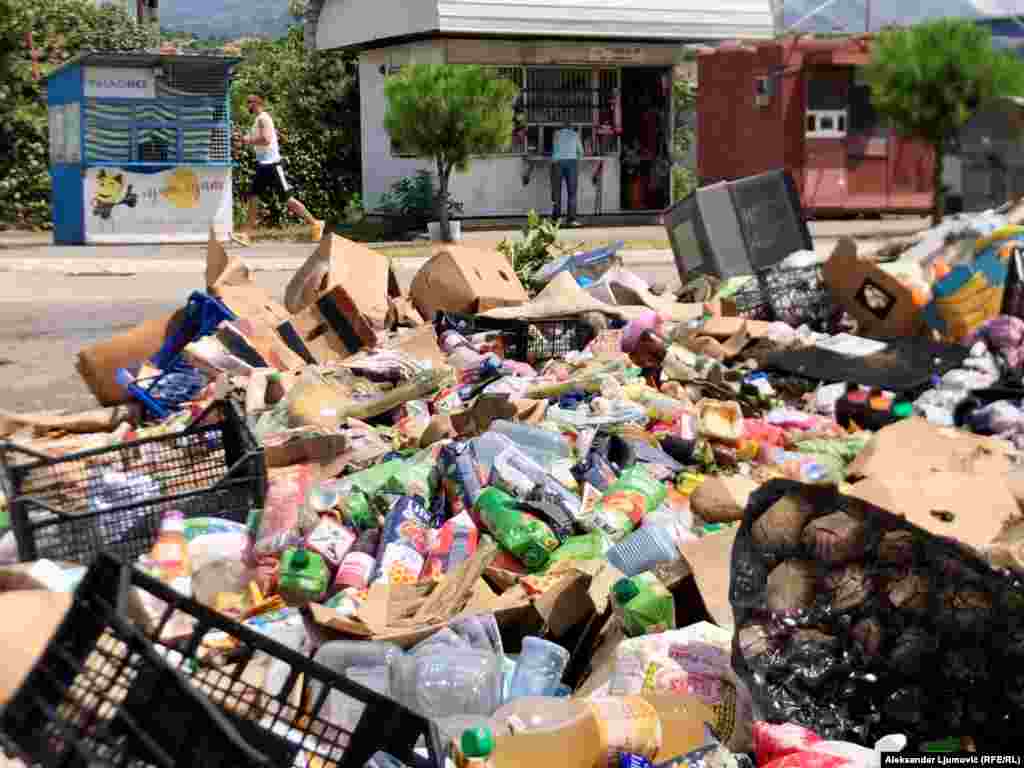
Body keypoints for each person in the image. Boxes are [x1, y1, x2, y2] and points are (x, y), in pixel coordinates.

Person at [234, 94, 323, 245]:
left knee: (287, 199)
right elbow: (256, 139)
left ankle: (315, 223)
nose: (247, 106)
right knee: (254, 196)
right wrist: (242, 140)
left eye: (249, 103)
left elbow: (267, 139)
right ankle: (246, 234)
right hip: (264, 165)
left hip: (272, 165)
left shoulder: (263, 118)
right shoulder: (258, 120)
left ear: (256, 103)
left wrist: (247, 140)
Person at [550, 121, 584, 226]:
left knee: (557, 191)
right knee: (572, 192)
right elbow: (581, 152)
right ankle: (571, 220)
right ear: (571, 127)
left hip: (557, 162)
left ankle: (556, 219)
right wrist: (577, 161)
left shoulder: (556, 134)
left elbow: (554, 148)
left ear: (562, 127)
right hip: (571, 163)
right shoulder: (575, 134)